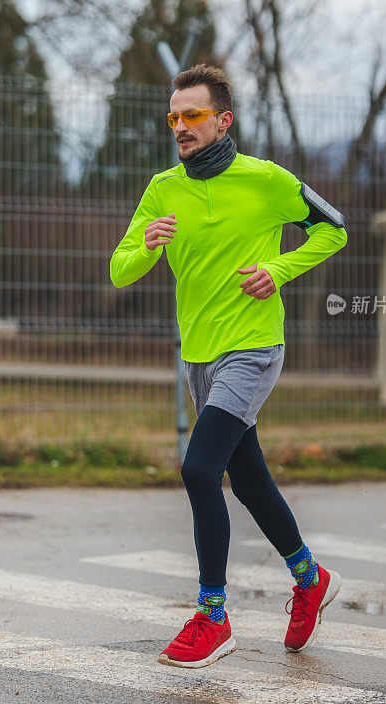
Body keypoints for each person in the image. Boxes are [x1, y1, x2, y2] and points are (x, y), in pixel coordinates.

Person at [110, 64, 348, 669]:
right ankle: (309, 577)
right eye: (174, 117)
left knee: (198, 469)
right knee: (246, 481)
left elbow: (334, 230)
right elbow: (120, 269)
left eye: (193, 115)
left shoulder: (266, 181)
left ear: (224, 119)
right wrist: (147, 245)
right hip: (200, 357)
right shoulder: (163, 189)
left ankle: (212, 615)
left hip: (253, 349)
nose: (181, 127)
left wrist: (281, 269)